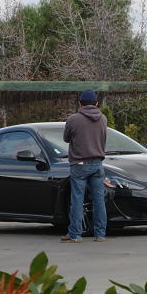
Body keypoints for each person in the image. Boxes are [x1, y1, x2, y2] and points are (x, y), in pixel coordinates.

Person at [60, 89, 108, 243]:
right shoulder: (103, 119)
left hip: (79, 164)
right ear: (96, 103)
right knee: (99, 200)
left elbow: (66, 138)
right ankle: (100, 234)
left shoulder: (73, 119)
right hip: (98, 163)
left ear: (80, 103)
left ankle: (75, 235)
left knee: (77, 200)